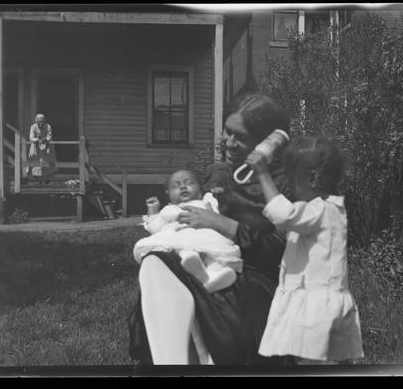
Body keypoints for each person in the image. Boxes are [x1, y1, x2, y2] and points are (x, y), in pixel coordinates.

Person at [127, 92, 296, 365]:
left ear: (266, 142)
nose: (228, 143)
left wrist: (223, 224)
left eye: (240, 137)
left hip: (252, 279)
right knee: (155, 261)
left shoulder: (283, 184)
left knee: (168, 278)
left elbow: (281, 248)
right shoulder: (220, 174)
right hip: (202, 262)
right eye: (227, 133)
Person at [246, 136, 364, 364]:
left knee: (312, 361)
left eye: (292, 181)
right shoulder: (329, 210)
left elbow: (283, 215)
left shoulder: (319, 210)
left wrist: (262, 173)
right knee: (330, 362)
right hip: (329, 304)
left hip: (316, 311)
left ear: (312, 178)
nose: (290, 189)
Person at [133, 169, 242, 293]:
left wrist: (220, 196)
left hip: (207, 235)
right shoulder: (169, 209)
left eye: (189, 183)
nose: (183, 187)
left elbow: (222, 210)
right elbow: (155, 227)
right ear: (168, 194)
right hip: (180, 235)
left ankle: (213, 276)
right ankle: (193, 265)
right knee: (180, 248)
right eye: (176, 185)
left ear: (200, 191)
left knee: (217, 256)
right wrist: (153, 210)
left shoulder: (207, 200)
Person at [25, 113, 57, 182]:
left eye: (42, 122)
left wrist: (45, 139)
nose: (41, 124)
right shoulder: (33, 127)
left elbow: (49, 136)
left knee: (47, 162)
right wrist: (37, 140)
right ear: (36, 121)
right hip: (36, 147)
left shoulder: (48, 126)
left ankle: (47, 179)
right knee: (36, 163)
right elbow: (31, 137)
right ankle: (37, 180)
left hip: (46, 146)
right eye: (39, 122)